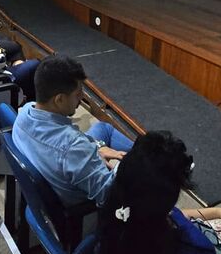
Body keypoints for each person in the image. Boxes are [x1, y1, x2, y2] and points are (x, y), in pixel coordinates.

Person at [11, 55, 133, 206]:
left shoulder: (25, 112)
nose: (81, 97)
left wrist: (97, 148)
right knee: (142, 168)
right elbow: (108, 196)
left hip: (62, 166)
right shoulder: (73, 147)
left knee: (102, 128)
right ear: (59, 99)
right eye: (78, 93)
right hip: (81, 210)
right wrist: (127, 165)